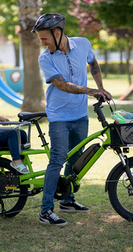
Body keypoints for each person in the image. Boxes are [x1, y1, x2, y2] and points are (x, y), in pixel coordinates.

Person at [32, 13, 112, 226]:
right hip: (59, 116)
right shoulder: (45, 57)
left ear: (57, 33)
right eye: (41, 39)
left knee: (75, 157)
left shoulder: (83, 44)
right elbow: (61, 85)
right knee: (57, 158)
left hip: (80, 115)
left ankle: (67, 200)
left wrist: (101, 86)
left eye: (45, 38)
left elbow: (94, 64)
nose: (43, 43)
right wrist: (92, 91)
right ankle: (46, 210)